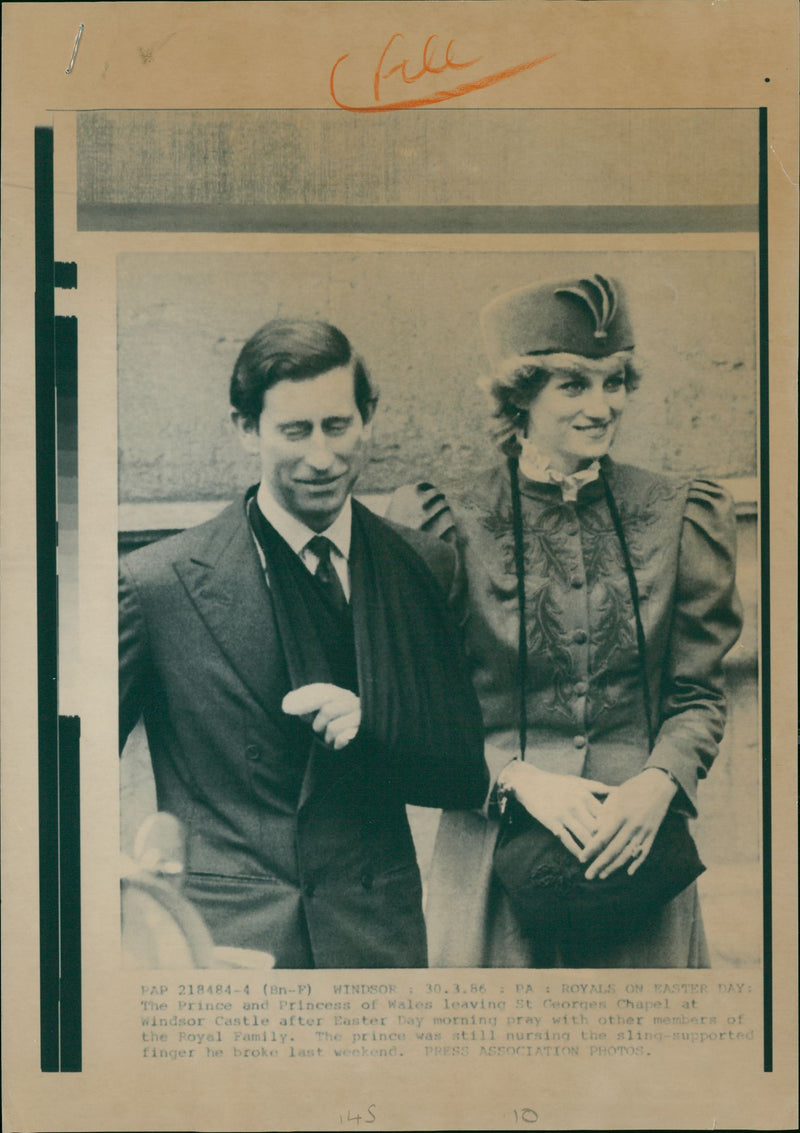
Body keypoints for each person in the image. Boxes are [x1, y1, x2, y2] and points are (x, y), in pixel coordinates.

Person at [388, 274, 743, 967]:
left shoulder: (679, 511)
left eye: (615, 383)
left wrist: (660, 781)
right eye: (574, 385)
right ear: (519, 396)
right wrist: (520, 779)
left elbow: (697, 694)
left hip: (640, 857)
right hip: (494, 858)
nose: (603, 406)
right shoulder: (445, 522)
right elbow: (422, 714)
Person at [119, 318, 487, 968]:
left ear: (366, 417)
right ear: (245, 427)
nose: (321, 456)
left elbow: (459, 770)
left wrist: (378, 722)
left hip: (377, 943)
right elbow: (60, 778)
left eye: (338, 425)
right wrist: (136, 910)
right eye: (295, 431)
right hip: (226, 952)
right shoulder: (156, 585)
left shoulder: (425, 563)